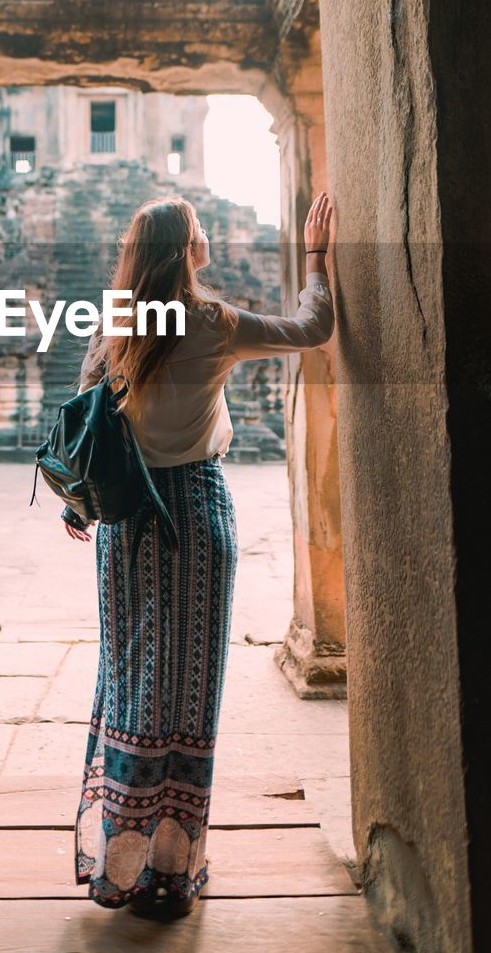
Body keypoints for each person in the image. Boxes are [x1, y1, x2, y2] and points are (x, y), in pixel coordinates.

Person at [68, 191, 334, 918]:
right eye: (198, 231)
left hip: (126, 524)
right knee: (186, 690)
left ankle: (118, 865)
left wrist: (78, 504)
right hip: (194, 513)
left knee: (130, 679)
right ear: (187, 249)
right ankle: (171, 871)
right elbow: (314, 327)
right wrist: (317, 258)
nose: (208, 236)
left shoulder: (118, 323)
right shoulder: (214, 322)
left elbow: (85, 424)